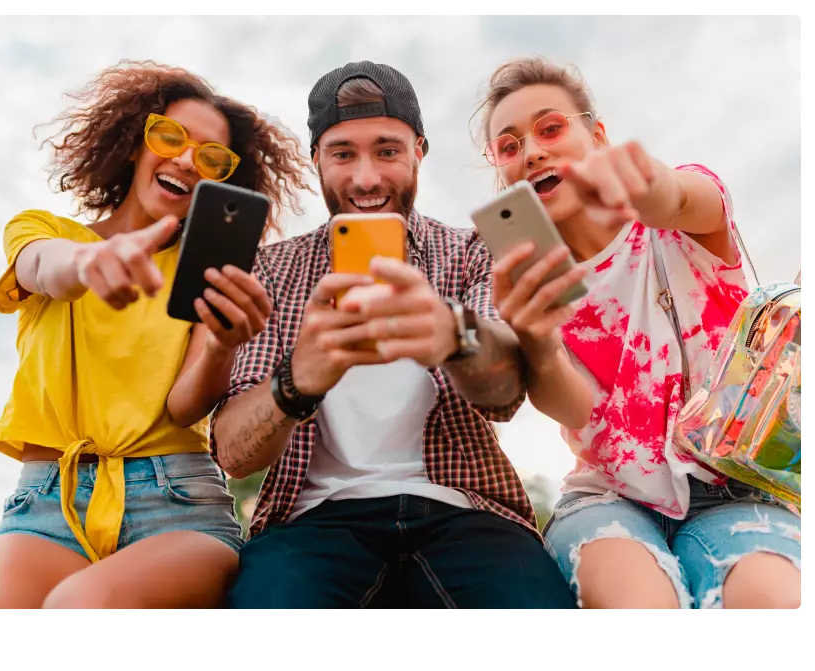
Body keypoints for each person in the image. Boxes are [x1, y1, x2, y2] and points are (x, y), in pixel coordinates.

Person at [209, 61, 577, 615]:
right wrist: (296, 380)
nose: (365, 179)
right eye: (342, 154)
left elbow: (505, 396)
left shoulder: (474, 250)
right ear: (316, 162)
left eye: (387, 150)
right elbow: (233, 455)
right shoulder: (270, 270)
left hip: (465, 511)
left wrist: (451, 337)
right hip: (313, 522)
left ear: (418, 153)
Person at [473, 56, 804, 611]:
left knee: (774, 604)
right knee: (639, 610)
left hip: (733, 486)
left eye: (550, 129)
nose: (531, 151)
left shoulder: (676, 220)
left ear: (597, 137)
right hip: (608, 498)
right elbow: (575, 409)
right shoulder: (526, 280)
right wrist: (535, 340)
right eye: (509, 147)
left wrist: (647, 183)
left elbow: (679, 196)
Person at [0, 61, 312, 613]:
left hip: (176, 502)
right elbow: (42, 266)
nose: (187, 160)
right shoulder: (45, 231)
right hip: (45, 501)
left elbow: (185, 407)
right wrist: (92, 261)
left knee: (80, 609)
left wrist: (220, 343)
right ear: (135, 142)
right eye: (170, 137)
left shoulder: (208, 272)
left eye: (212, 158)